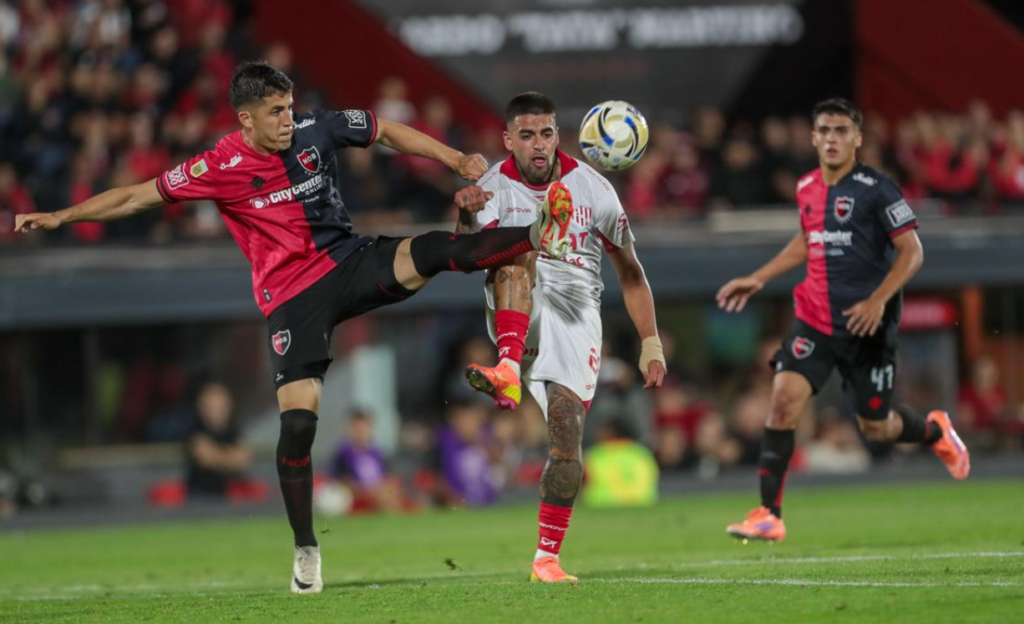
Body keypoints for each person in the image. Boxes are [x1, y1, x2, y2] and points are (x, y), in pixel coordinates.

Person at [13, 61, 575, 594]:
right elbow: (138, 195)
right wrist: (64, 216)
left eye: (289, 108)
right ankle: (306, 548)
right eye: (276, 112)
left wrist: (454, 159)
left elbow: (385, 131)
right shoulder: (218, 167)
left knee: (439, 249)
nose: (288, 120)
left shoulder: (314, 129)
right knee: (299, 430)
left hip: (350, 262)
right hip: (292, 301)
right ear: (246, 119)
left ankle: (537, 232)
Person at [715, 98, 970, 543]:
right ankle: (768, 514)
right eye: (825, 131)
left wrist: (877, 300)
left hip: (865, 325)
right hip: (814, 319)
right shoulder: (807, 186)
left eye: (841, 131)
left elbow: (913, 252)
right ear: (813, 138)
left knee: (879, 426)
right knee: (782, 403)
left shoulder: (878, 188)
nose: (832, 139)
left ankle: (935, 431)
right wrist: (758, 278)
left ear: (857, 139)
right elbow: (806, 240)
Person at [451, 92, 666, 583]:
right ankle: (507, 366)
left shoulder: (594, 189)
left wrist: (649, 340)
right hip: (516, 306)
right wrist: (465, 215)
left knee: (567, 440)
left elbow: (630, 273)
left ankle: (546, 558)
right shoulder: (491, 186)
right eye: (526, 135)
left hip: (576, 315)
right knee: (520, 249)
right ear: (508, 140)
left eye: (546, 133)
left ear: (558, 135)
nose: (538, 145)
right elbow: (463, 257)